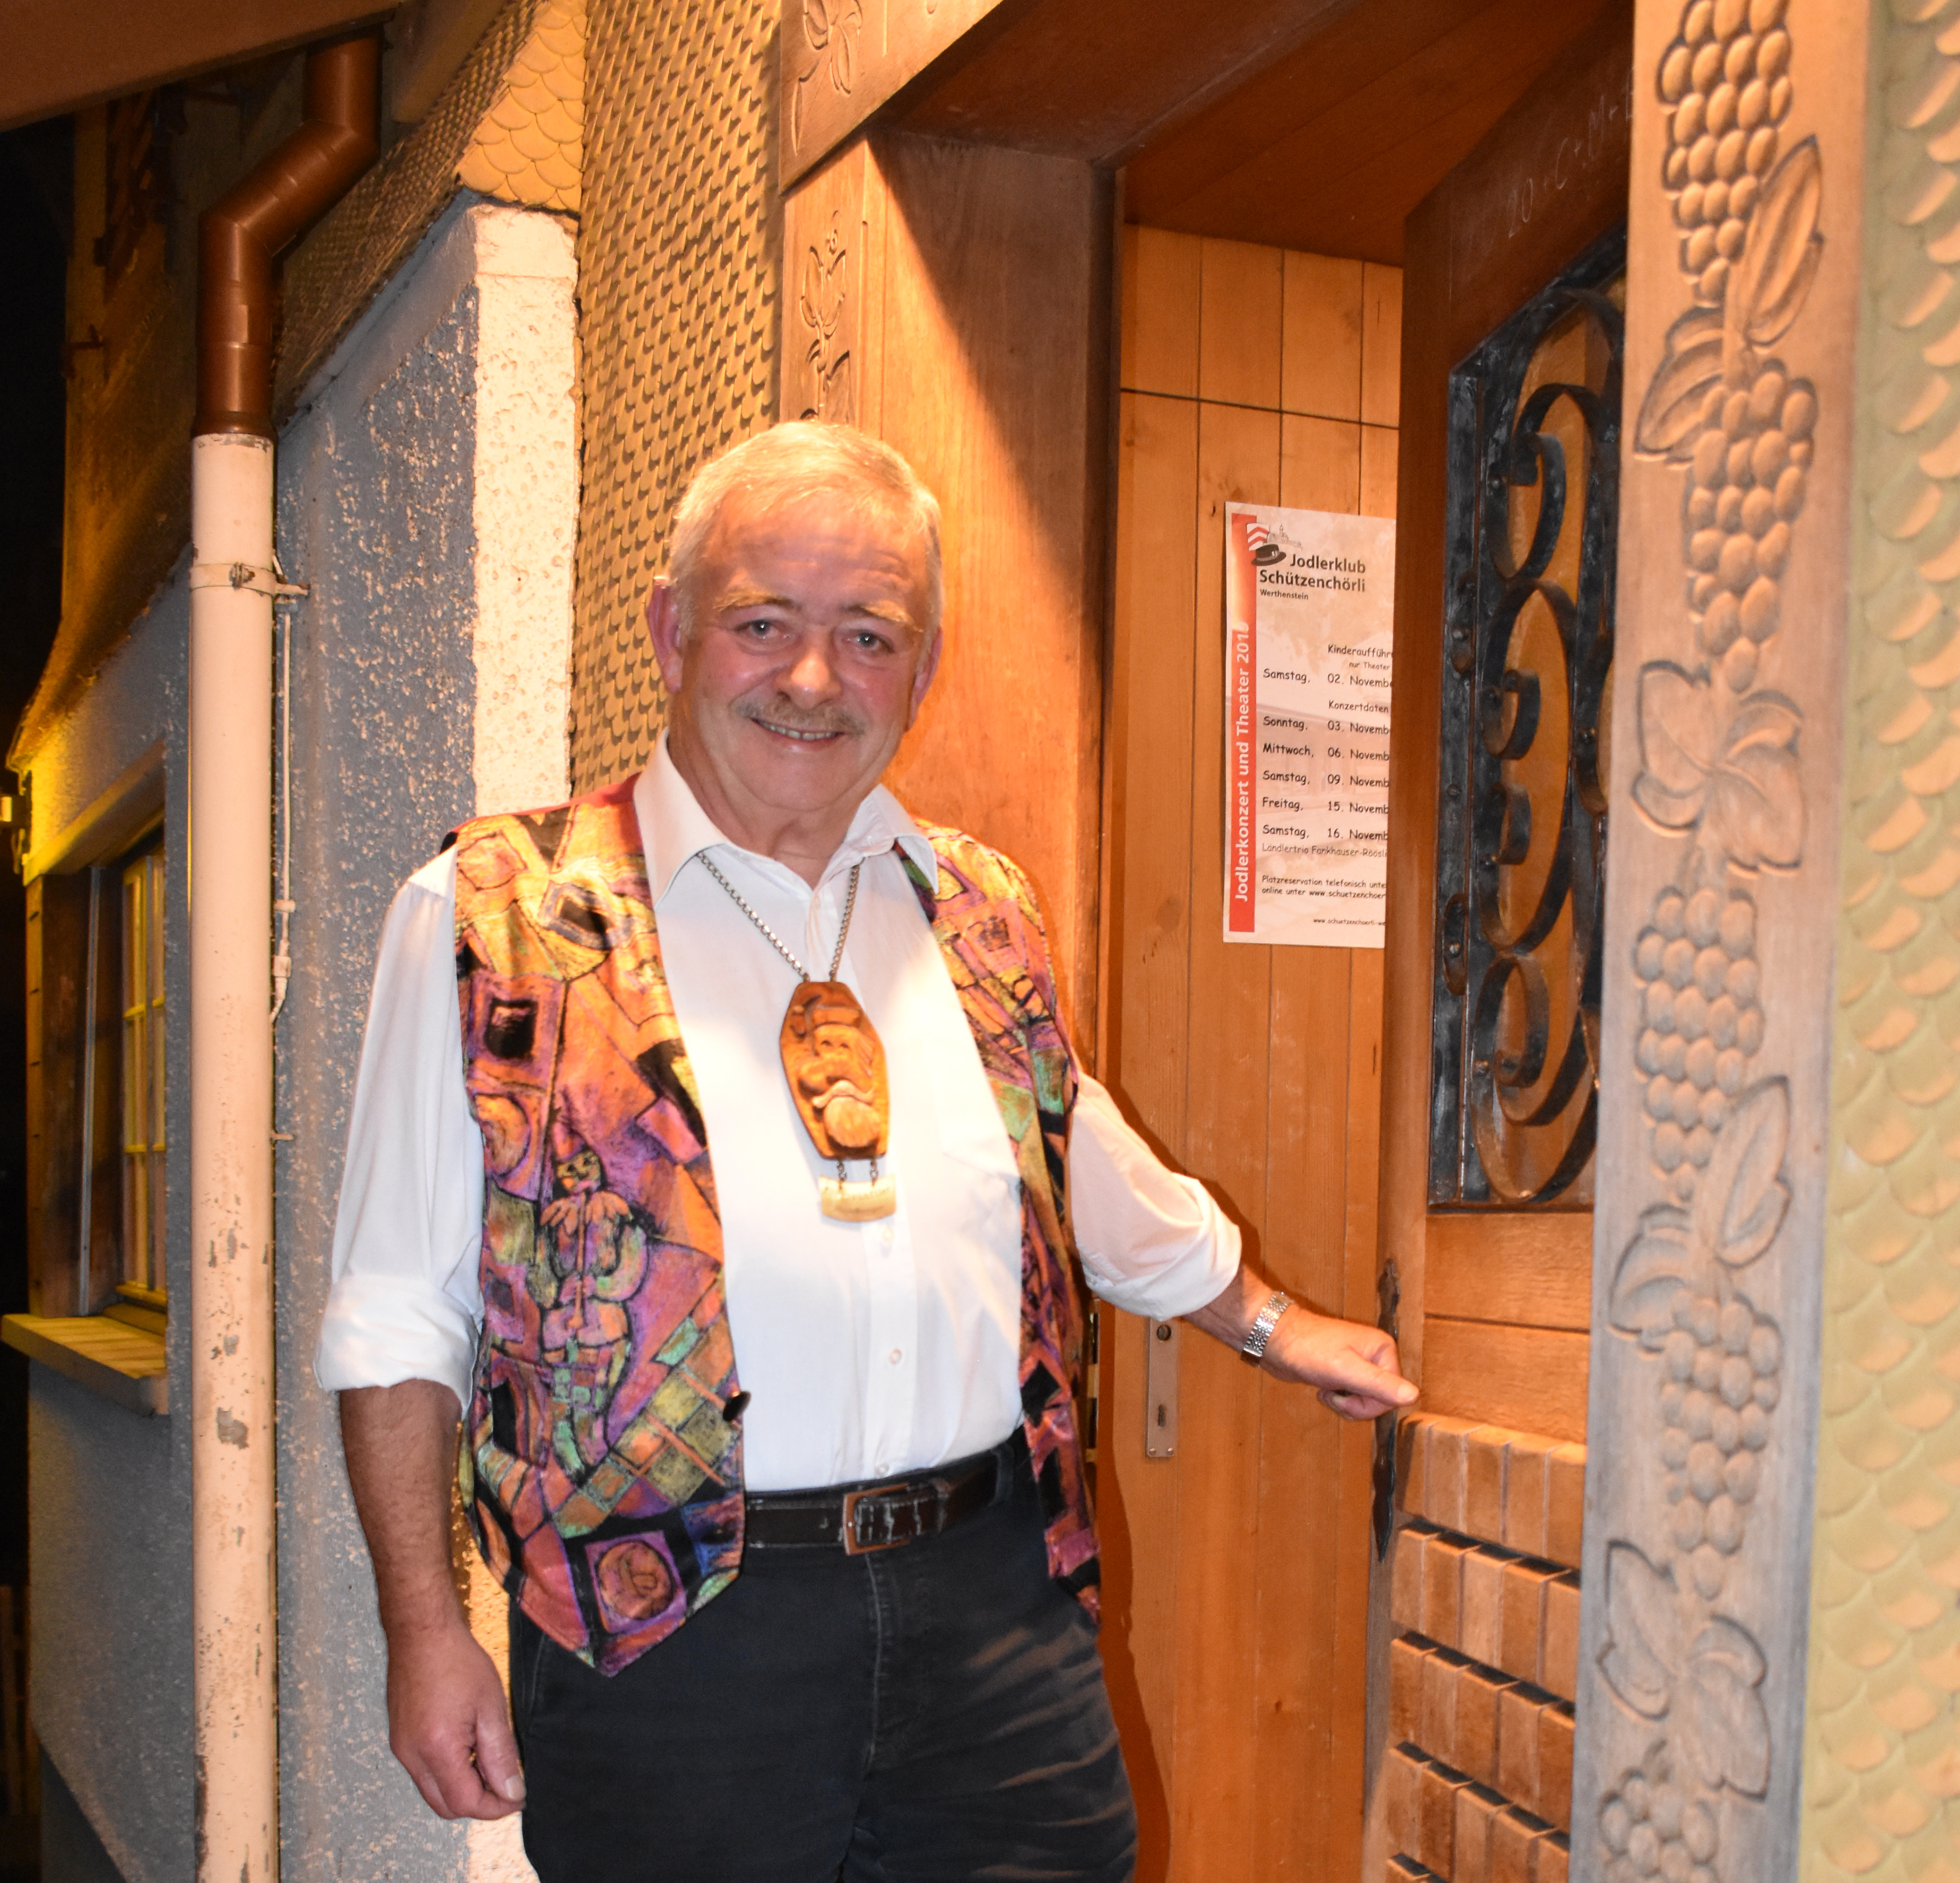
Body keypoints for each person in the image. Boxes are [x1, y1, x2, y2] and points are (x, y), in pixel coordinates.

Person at [318, 421, 1415, 1883]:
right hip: (673, 1630)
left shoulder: (975, 901)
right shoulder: (493, 914)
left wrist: (1270, 1322)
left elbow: (1072, 1153)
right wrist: (422, 1626)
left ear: (924, 662)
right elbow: (400, 1311)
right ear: (671, 631)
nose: (814, 678)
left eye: (870, 635)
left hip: (995, 1607)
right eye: (763, 622)